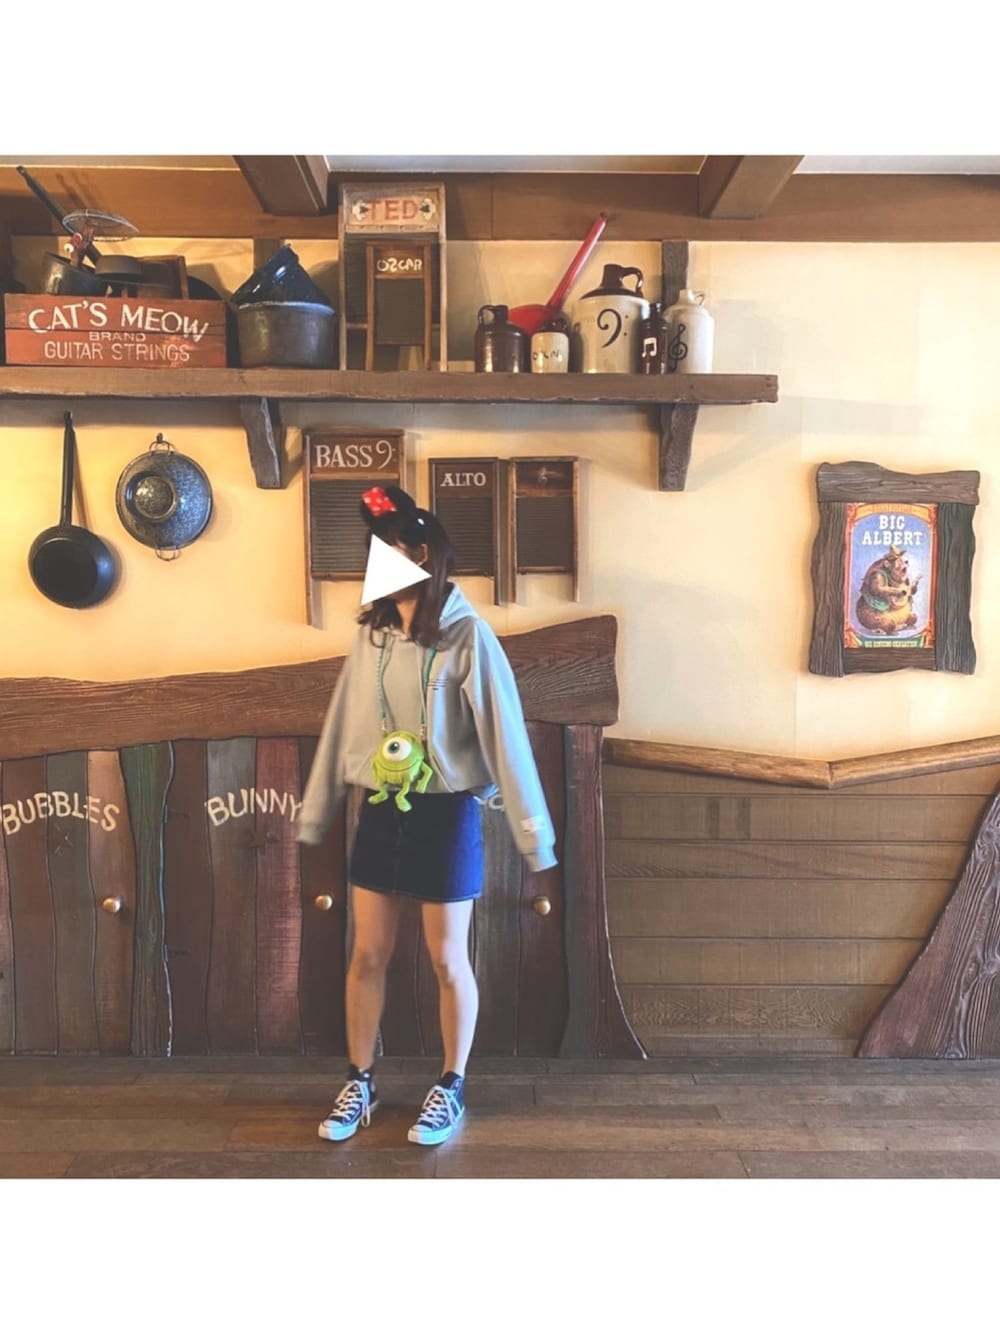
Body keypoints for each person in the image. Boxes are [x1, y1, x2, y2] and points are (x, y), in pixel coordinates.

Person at [296, 483, 557, 1146]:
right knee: (366, 953)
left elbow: (505, 735)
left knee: (447, 959)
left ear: (421, 554)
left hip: (446, 814)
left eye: (388, 549)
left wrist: (534, 836)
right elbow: (341, 722)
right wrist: (317, 811)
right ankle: (360, 1079)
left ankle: (450, 1085)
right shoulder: (372, 637)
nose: (376, 562)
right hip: (381, 809)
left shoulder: (468, 636)